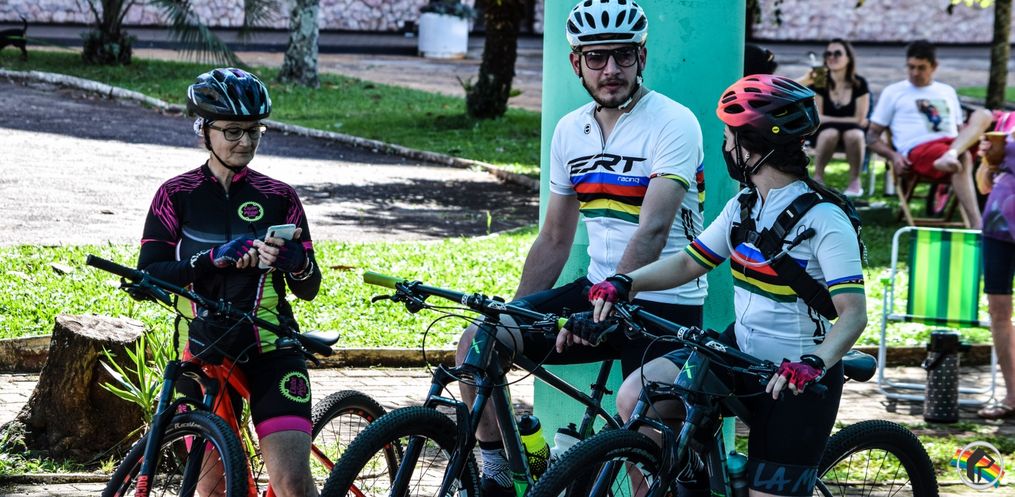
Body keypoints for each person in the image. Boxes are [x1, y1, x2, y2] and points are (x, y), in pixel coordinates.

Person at [454, 1, 707, 495]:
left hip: (663, 305)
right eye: (596, 57)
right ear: (576, 63)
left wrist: (602, 308)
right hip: (596, 295)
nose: (610, 69)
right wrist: (515, 314)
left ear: (641, 57)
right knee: (479, 343)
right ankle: (499, 472)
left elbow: (653, 230)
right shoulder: (571, 130)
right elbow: (554, 238)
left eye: (622, 55)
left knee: (643, 454)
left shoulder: (673, 122)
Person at [587, 75, 868, 497]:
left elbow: (853, 315)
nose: (724, 146)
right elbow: (690, 262)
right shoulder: (743, 206)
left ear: (752, 147)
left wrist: (814, 363)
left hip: (796, 378)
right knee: (635, 395)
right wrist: (625, 283)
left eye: (728, 137)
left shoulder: (825, 220)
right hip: (738, 354)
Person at [137, 68, 321, 497]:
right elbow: (150, 274)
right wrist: (211, 259)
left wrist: (295, 261)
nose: (245, 142)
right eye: (233, 131)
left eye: (255, 131)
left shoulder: (280, 196)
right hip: (202, 351)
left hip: (271, 349)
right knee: (214, 488)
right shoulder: (175, 195)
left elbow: (309, 286)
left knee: (292, 482)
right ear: (203, 129)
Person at [866, 39, 989, 228]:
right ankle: (977, 224)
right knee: (963, 157)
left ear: (934, 66)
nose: (915, 73)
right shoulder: (893, 92)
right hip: (919, 151)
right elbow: (871, 136)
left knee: (984, 115)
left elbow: (959, 130)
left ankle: (950, 155)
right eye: (911, 67)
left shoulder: (947, 91)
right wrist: (893, 156)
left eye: (921, 68)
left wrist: (961, 145)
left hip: (952, 146)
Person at [974, 125, 1015, 419]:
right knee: (998, 311)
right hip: (997, 228)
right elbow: (984, 186)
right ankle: (1012, 395)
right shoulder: (1007, 126)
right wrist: (987, 161)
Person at [809, 39, 870, 197]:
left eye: (837, 53)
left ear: (848, 58)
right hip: (824, 131)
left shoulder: (859, 83)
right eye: (828, 54)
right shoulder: (820, 80)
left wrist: (831, 119)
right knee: (830, 133)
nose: (832, 57)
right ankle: (818, 179)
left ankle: (855, 182)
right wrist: (851, 120)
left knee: (855, 134)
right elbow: (817, 116)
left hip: (852, 132)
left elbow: (860, 119)